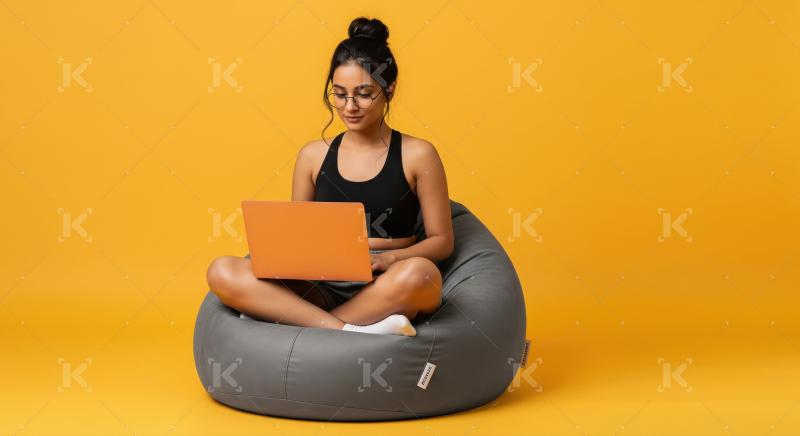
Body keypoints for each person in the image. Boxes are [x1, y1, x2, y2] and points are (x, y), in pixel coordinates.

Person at [206, 17, 453, 336]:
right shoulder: (312, 155)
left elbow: (442, 241)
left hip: (387, 279)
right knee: (222, 271)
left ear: (389, 88)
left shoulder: (418, 153)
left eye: (364, 94)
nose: (349, 106)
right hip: (321, 282)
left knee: (422, 276)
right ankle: (349, 330)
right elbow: (299, 237)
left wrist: (390, 259)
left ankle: (302, 326)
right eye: (339, 94)